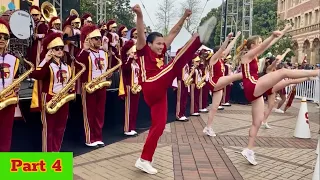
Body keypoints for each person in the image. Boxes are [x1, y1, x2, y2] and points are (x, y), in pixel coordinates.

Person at [132, 4, 217, 174]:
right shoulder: (143, 50)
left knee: (160, 126)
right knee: (176, 63)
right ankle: (198, 38)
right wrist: (140, 14)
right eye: (158, 44)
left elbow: (173, 32)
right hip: (150, 84)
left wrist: (185, 17)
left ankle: (144, 159)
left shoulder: (161, 51)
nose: (161, 46)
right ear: (149, 44)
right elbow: (141, 32)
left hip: (160, 90)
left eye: (162, 44)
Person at [237, 24, 319, 165]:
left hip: (255, 90)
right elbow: (264, 47)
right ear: (252, 46)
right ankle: (316, 73)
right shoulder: (246, 56)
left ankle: (249, 150)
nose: (261, 45)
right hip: (252, 86)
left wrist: (284, 31)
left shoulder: (255, 56)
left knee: (257, 122)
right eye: (259, 43)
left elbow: (268, 45)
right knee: (283, 73)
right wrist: (271, 36)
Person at [30, 32, 72, 152]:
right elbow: (37, 75)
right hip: (49, 99)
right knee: (49, 129)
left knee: (60, 128)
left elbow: (69, 84)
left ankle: (56, 152)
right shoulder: (47, 65)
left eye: (61, 48)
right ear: (51, 50)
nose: (60, 50)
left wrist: (70, 88)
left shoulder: (67, 66)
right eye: (56, 48)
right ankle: (47, 155)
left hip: (63, 100)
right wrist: (45, 60)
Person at [77, 24, 111, 148]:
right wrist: (85, 50)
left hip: (102, 85)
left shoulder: (103, 52)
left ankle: (98, 137)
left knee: (100, 112)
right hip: (89, 86)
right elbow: (78, 65)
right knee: (89, 113)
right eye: (96, 38)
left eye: (99, 38)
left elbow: (106, 67)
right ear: (89, 40)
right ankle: (89, 138)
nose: (99, 40)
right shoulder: (85, 52)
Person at [203, 31, 243, 137]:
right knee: (236, 76)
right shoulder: (214, 59)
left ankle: (208, 127)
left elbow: (228, 48)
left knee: (215, 107)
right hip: (214, 82)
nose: (224, 52)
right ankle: (249, 77)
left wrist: (236, 37)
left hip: (220, 84)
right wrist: (227, 38)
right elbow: (222, 48)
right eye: (222, 51)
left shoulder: (221, 59)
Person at [0, 19, 22, 152]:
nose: (2, 39)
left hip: (8, 100)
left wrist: (16, 85)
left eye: (5, 37)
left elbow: (15, 78)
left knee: (6, 134)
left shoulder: (14, 60)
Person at [120, 40, 141, 136]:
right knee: (128, 109)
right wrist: (129, 58)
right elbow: (126, 69)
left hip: (136, 87)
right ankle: (127, 128)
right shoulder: (127, 62)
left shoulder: (136, 63)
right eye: (133, 52)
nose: (135, 54)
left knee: (134, 109)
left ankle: (132, 127)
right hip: (129, 87)